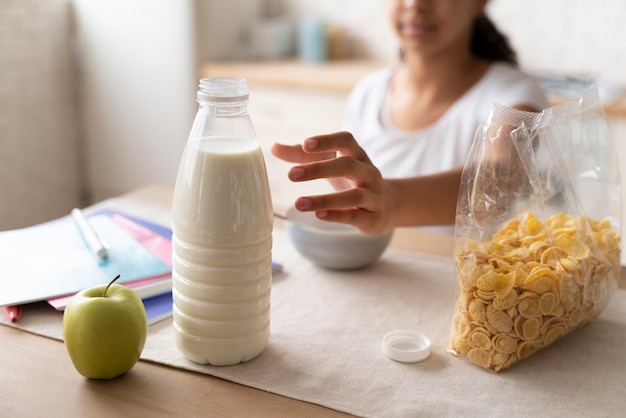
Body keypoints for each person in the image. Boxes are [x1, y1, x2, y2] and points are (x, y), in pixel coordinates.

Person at [271, 0, 548, 235]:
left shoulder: (514, 94)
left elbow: (499, 182)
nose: (415, 4)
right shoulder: (369, 92)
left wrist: (390, 202)